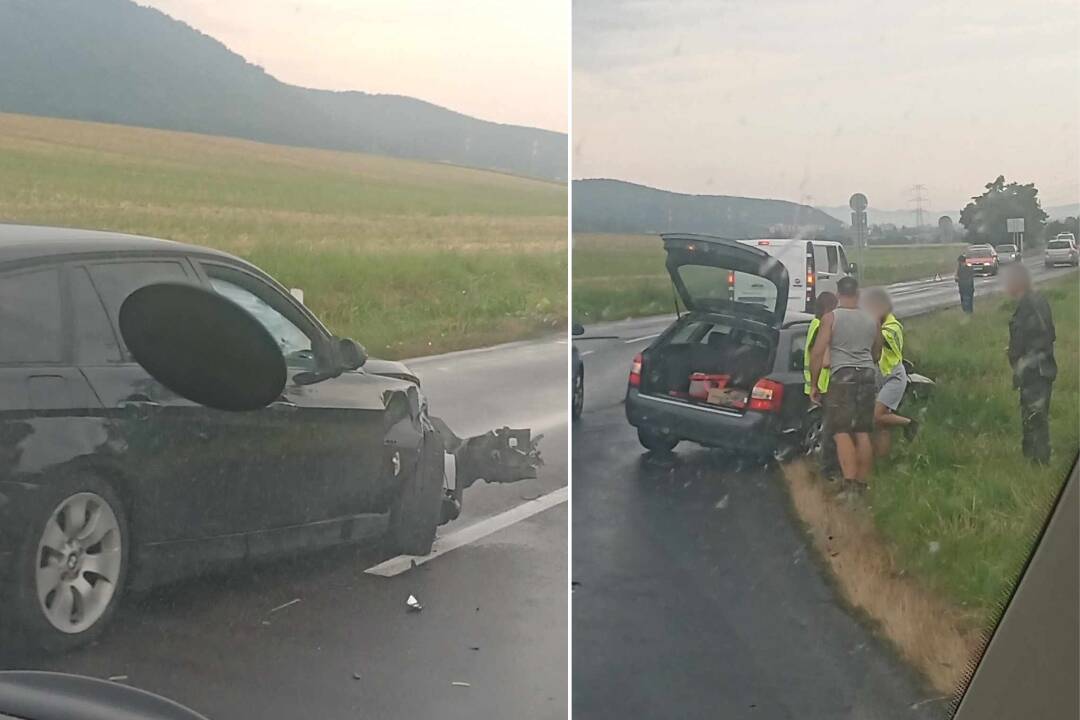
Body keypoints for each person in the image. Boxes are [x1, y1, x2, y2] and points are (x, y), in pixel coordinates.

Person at [810, 277, 882, 494]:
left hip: (843, 376)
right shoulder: (872, 319)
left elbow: (817, 352)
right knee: (862, 431)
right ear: (857, 294)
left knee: (841, 431)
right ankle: (862, 483)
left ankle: (849, 483)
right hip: (868, 375)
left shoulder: (831, 318)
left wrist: (814, 384)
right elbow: (877, 351)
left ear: (838, 294)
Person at [1005, 265, 1057, 465]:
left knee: (1036, 417)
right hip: (1036, 369)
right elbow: (1049, 334)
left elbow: (1041, 335)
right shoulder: (1036, 300)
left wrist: (1022, 355)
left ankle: (1040, 462)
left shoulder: (1030, 304)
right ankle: (1033, 458)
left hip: (1036, 370)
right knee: (1032, 415)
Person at [862, 288, 917, 458]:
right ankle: (883, 459)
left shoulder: (893, 326)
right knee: (881, 423)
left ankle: (910, 423)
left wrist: (874, 322)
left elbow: (878, 340)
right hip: (879, 378)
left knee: (877, 416)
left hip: (893, 377)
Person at [804, 292, 839, 476]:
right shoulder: (823, 328)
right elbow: (825, 361)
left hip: (814, 383)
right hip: (825, 384)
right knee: (831, 430)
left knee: (825, 427)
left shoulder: (814, 324)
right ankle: (829, 470)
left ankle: (825, 467)